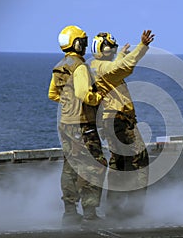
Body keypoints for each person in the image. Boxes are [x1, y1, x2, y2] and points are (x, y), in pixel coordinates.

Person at [90, 30, 155, 220]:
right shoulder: (103, 68)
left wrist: (121, 55)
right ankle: (135, 210)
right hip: (119, 120)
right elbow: (124, 67)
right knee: (139, 160)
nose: (112, 50)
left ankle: (113, 208)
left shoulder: (96, 66)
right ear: (104, 49)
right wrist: (142, 46)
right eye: (111, 47)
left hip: (110, 122)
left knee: (118, 163)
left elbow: (117, 66)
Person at [48, 25, 107, 227]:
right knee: (93, 166)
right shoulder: (80, 67)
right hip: (83, 125)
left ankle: (70, 212)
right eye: (83, 40)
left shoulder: (60, 66)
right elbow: (84, 94)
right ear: (77, 43)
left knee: (70, 168)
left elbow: (53, 94)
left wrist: (68, 104)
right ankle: (90, 214)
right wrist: (98, 97)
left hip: (66, 125)